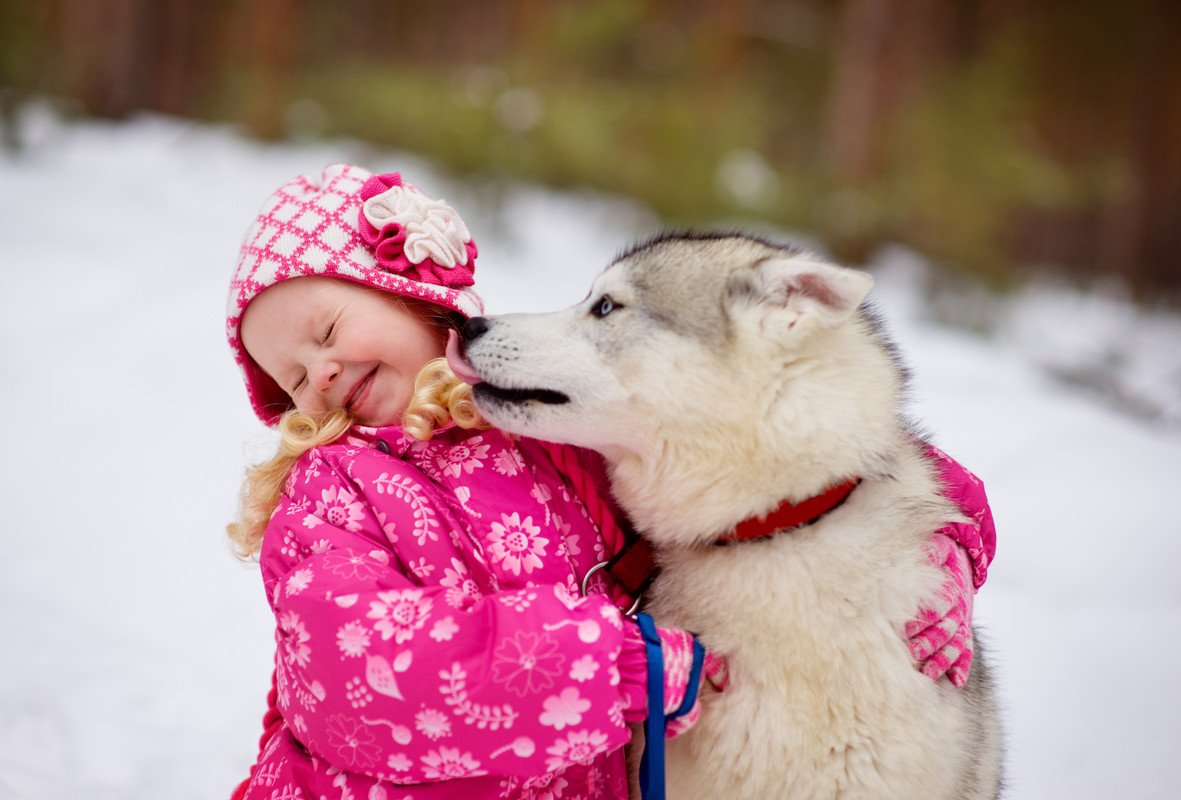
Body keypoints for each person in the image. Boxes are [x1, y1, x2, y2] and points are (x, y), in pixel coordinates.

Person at [224, 164, 996, 799]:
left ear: (411, 294)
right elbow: (355, 678)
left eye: (325, 332)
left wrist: (943, 555)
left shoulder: (553, 432)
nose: (319, 372)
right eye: (290, 378)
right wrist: (603, 664)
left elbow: (827, 460)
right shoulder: (333, 491)